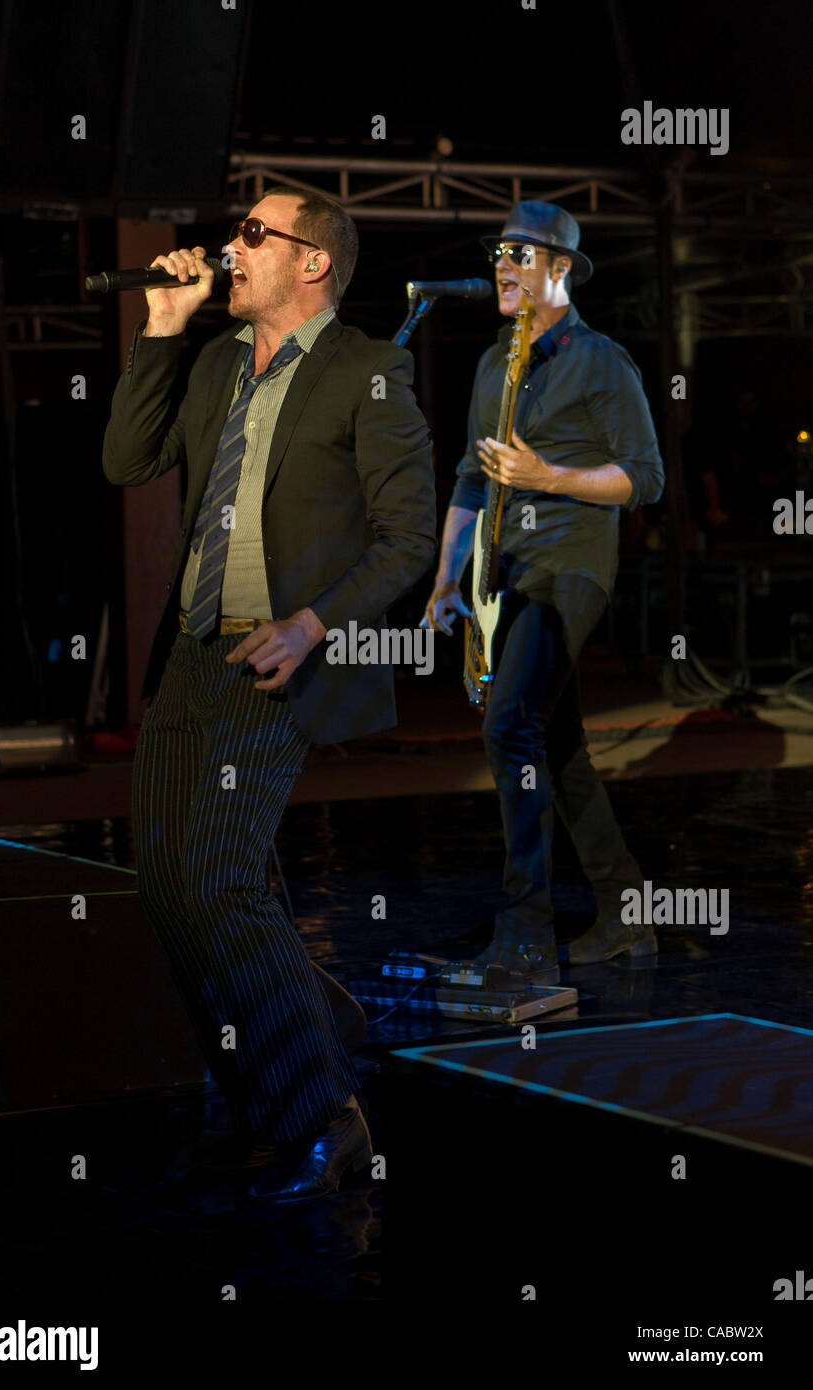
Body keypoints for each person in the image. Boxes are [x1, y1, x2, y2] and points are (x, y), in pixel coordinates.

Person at [103, 187, 435, 1200]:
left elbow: (407, 538)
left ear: (313, 263)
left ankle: (325, 1116)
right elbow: (125, 458)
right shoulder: (209, 363)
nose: (228, 247)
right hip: (196, 652)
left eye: (253, 233)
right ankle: (304, 1036)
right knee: (165, 881)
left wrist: (313, 621)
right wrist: (159, 329)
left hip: (281, 651)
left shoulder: (368, 373)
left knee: (219, 877)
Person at [423, 201, 664, 975]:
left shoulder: (602, 360)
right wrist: (444, 579)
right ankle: (628, 915)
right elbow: (468, 478)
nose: (501, 266)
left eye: (520, 255)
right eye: (499, 253)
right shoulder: (495, 363)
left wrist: (547, 476)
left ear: (559, 269)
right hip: (507, 574)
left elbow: (646, 479)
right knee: (557, 749)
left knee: (508, 729)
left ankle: (525, 929)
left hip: (571, 569)